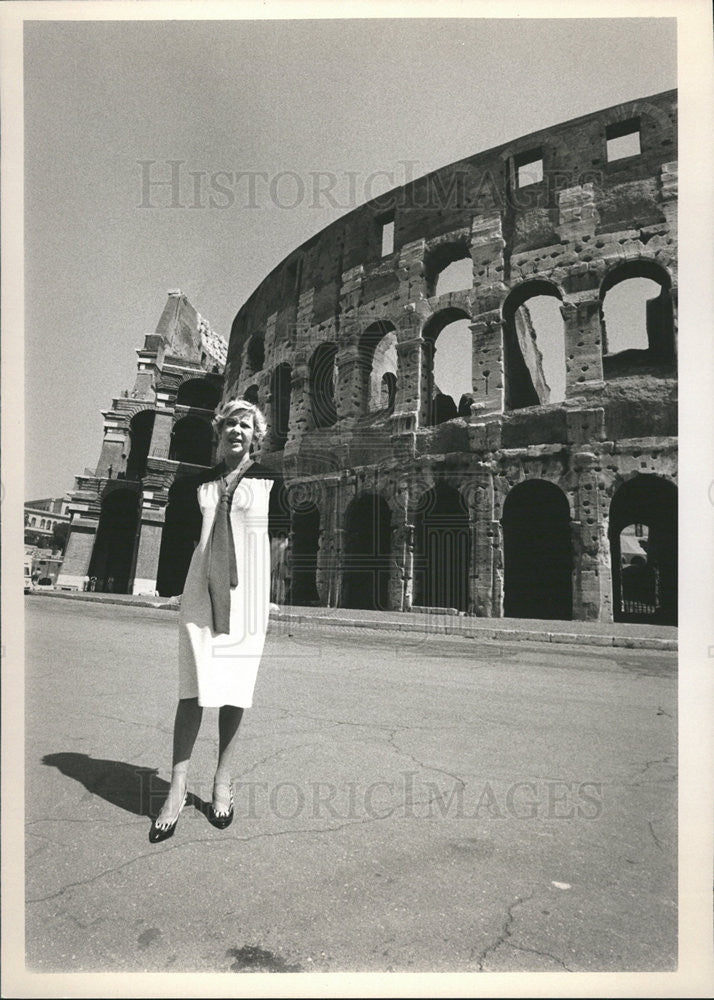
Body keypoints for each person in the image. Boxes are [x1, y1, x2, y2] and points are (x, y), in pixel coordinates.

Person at [149, 398, 279, 843]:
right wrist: (173, 591)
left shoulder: (268, 480)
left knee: (234, 691)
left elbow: (277, 540)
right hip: (200, 595)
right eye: (230, 424)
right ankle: (177, 787)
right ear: (219, 432)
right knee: (193, 689)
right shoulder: (199, 484)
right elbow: (190, 541)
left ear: (255, 436)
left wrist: (267, 593)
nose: (237, 431)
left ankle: (222, 781)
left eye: (246, 425)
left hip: (246, 600)